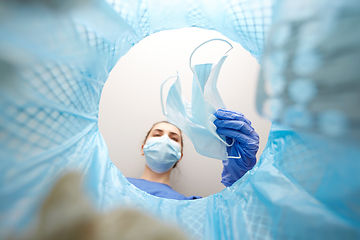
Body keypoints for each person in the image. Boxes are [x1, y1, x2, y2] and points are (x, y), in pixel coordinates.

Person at [127, 108, 259, 200]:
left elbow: (239, 217)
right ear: (143, 148)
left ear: (180, 155)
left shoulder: (188, 205)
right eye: (157, 134)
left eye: (174, 138)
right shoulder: (113, 182)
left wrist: (241, 179)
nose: (165, 140)